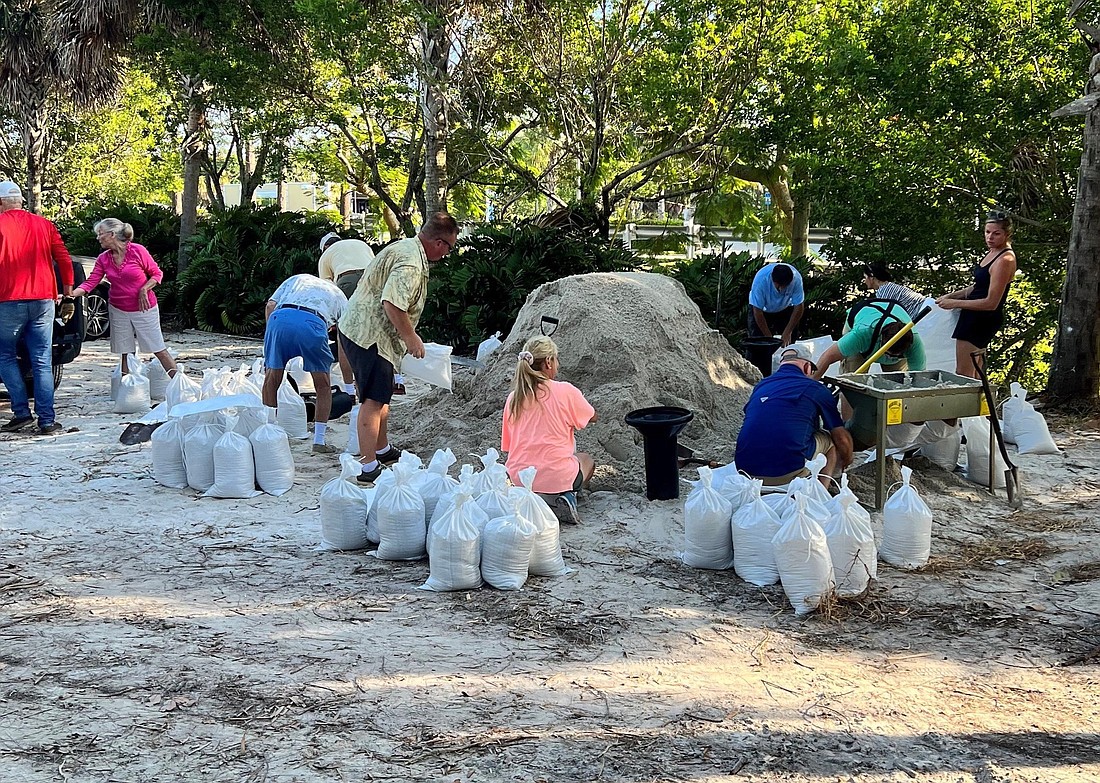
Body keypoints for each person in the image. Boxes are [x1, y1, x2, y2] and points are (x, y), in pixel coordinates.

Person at [339, 211, 459, 483]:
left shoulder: (405, 246)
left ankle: (381, 449)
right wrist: (410, 337)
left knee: (382, 396)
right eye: (449, 248)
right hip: (370, 336)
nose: (446, 254)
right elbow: (392, 302)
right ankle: (368, 466)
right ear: (440, 243)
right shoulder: (411, 263)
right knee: (372, 400)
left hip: (362, 329)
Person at [0, 181, 74, 434]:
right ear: (21, 201)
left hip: (7, 300)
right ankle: (46, 421)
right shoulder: (44, 224)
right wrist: (68, 290)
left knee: (5, 356)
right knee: (42, 360)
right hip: (44, 300)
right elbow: (64, 257)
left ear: (0, 203)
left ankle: (21, 413)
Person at [501, 336, 597, 525]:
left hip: (519, 479)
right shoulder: (565, 390)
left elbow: (510, 445)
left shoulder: (513, 398)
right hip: (556, 476)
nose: (558, 365)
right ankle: (568, 496)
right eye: (556, 359)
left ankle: (535, 498)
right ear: (548, 362)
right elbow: (592, 416)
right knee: (586, 460)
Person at [70, 218, 177, 382]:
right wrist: (71, 293)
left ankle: (179, 384)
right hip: (118, 309)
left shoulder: (137, 251)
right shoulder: (103, 259)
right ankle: (127, 390)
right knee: (125, 352)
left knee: (158, 348)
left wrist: (144, 288)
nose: (98, 238)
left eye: (100, 234)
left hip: (144, 308)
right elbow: (91, 282)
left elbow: (157, 274)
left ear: (112, 235)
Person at [735, 344, 852, 488]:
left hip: (745, 471)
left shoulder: (761, 385)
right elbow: (840, 437)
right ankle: (822, 492)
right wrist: (847, 458)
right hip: (787, 471)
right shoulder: (815, 388)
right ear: (807, 367)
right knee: (830, 442)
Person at [263, 273, 348, 454]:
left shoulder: (298, 279)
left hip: (280, 319)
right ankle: (319, 441)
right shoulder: (339, 295)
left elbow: (271, 305)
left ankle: (267, 432)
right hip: (313, 323)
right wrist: (349, 385)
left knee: (272, 377)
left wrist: (270, 337)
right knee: (323, 385)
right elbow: (343, 341)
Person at [936, 211, 1017, 378]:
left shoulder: (1005, 260)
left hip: (981, 319)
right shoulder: (992, 252)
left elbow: (991, 302)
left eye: (996, 233)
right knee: (976, 372)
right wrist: (952, 296)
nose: (990, 237)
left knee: (964, 374)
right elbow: (978, 286)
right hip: (972, 315)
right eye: (987, 232)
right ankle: (982, 404)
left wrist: (955, 304)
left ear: (1007, 234)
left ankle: (968, 404)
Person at [317, 232, 376, 397]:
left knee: (344, 338)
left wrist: (332, 322)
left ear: (326, 247)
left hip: (346, 281)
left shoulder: (326, 256)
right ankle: (386, 379)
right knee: (374, 331)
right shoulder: (360, 244)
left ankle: (350, 390)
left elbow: (327, 290)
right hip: (371, 280)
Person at [814, 300, 926, 378]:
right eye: (888, 354)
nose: (888, 358)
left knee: (899, 384)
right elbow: (827, 357)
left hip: (891, 312)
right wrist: (808, 385)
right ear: (881, 340)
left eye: (894, 356)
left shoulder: (915, 344)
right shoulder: (861, 335)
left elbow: (917, 379)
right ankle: (849, 413)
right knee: (851, 383)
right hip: (863, 327)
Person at [747, 262, 805, 347]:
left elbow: (799, 307)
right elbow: (757, 311)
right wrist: (769, 338)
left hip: (785, 307)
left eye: (785, 286)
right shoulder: (761, 281)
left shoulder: (796, 279)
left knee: (790, 342)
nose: (782, 289)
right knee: (758, 342)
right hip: (762, 309)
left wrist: (788, 332)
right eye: (779, 286)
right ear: (772, 280)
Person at [861, 262, 927, 319]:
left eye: (865, 277)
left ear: (872, 277)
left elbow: (885, 316)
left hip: (925, 314)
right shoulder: (887, 287)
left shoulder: (884, 291)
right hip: (925, 311)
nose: (864, 281)